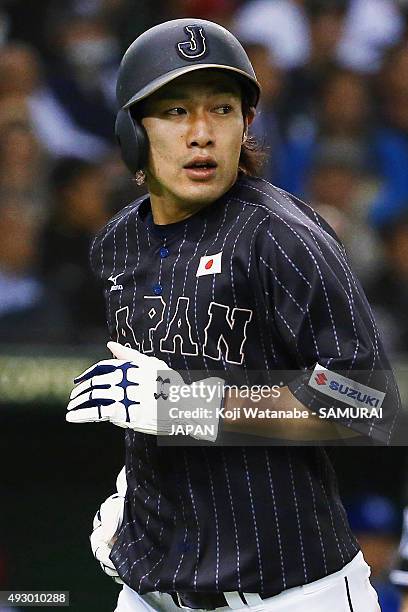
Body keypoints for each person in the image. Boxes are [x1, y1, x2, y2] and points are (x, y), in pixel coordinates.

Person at [66, 18, 400, 611]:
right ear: (132, 133)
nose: (202, 134)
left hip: (291, 596)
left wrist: (185, 409)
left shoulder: (282, 237)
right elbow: (151, 396)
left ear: (246, 125)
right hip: (155, 593)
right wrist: (136, 500)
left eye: (221, 109)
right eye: (175, 112)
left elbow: (365, 404)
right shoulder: (117, 243)